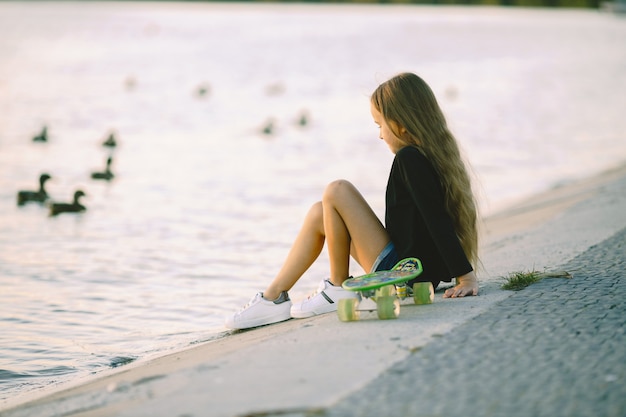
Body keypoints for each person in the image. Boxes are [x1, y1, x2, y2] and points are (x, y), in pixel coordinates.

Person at [225, 72, 479, 330]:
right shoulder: (425, 156)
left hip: (404, 273)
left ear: (401, 123)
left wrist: (465, 276)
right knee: (319, 212)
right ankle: (274, 298)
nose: (380, 135)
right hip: (410, 269)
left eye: (380, 125)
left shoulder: (410, 158)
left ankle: (337, 286)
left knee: (337, 189)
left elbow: (435, 219)